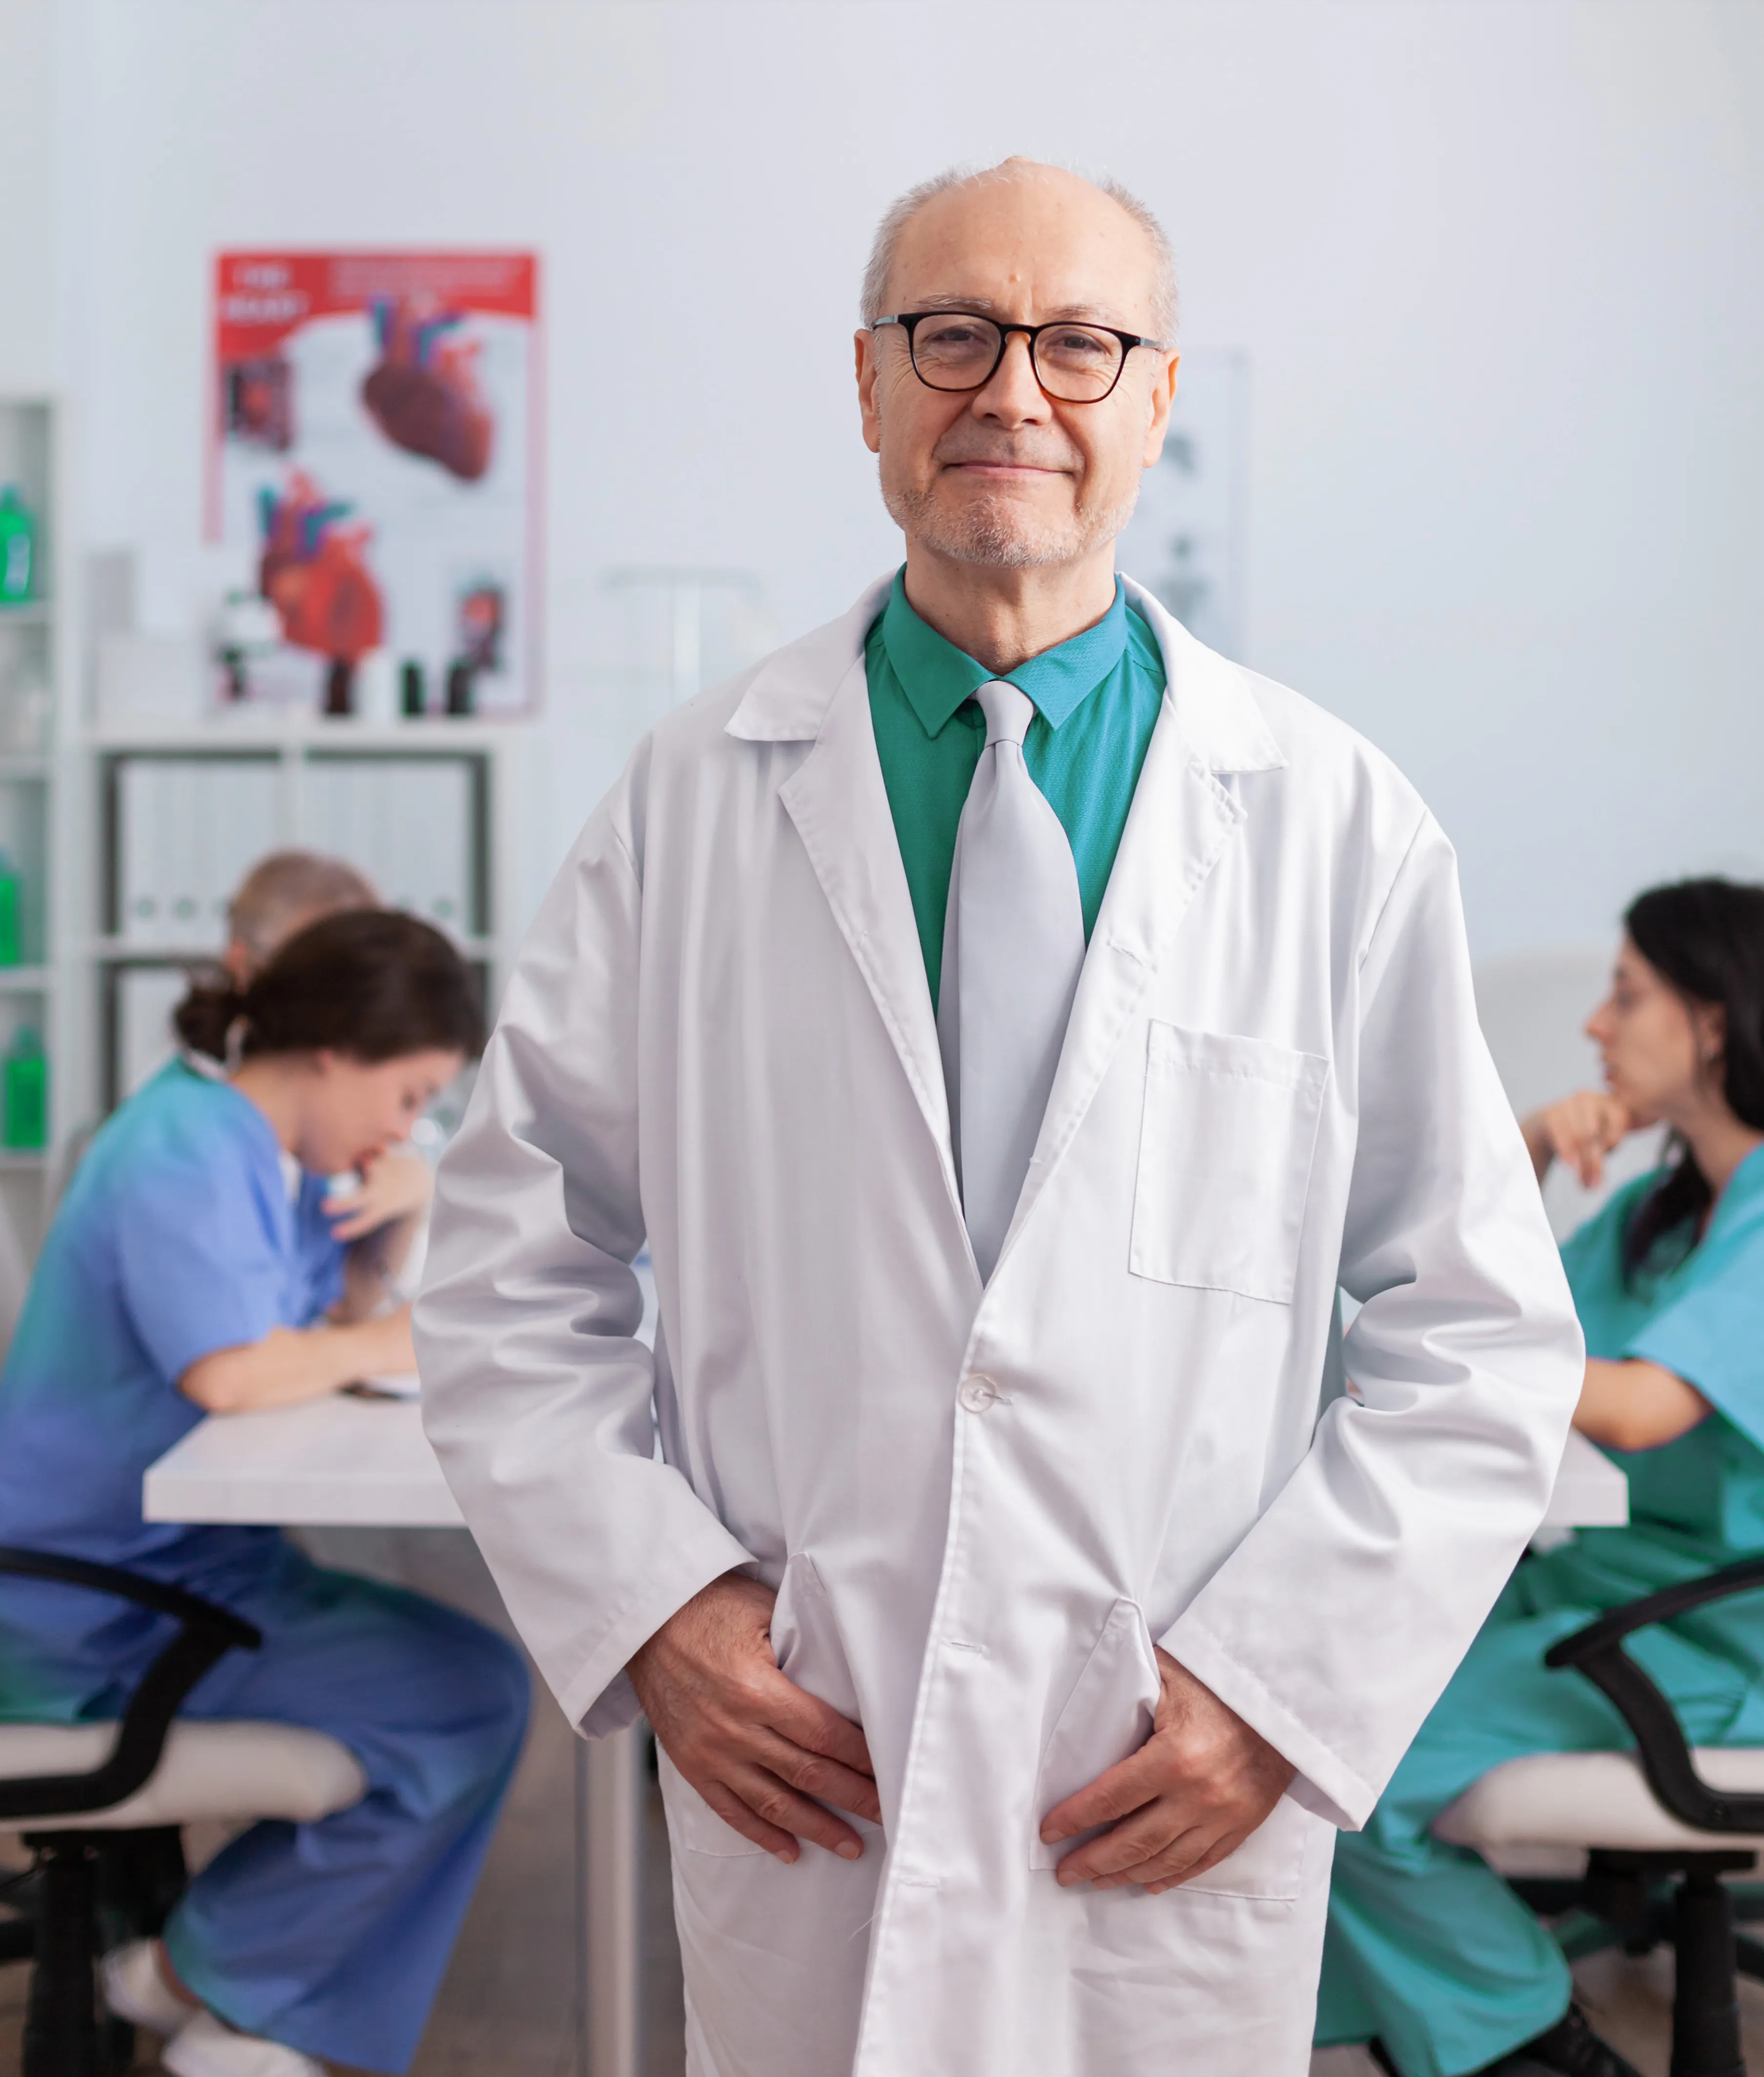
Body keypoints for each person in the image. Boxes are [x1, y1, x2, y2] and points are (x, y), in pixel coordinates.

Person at [415, 159, 1582, 2077]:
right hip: (814, 1741)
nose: (1011, 391)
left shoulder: (1331, 818)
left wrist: (1279, 1688)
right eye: (948, 334)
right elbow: (504, 1261)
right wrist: (662, 1612)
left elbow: (1478, 1333)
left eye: (1076, 341)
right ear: (867, 384)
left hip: (1162, 1763)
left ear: (1157, 394)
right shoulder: (693, 799)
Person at [0, 910, 529, 2077]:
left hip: (179, 1568)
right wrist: (401, 1333)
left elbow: (310, 1326)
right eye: (409, 1096)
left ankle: (223, 1984)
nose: (409, 1129)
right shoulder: (180, 1148)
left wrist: (388, 1237)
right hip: (88, 1605)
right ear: (337, 1048)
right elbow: (232, 1370)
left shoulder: (247, 1147)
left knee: (478, 1681)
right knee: (465, 1695)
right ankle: (216, 1984)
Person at [1318, 877, 1764, 2077]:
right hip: (1593, 1599)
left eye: (1626, 994)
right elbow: (1467, 1291)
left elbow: (1632, 1403)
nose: (1594, 1025)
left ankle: (1531, 2039)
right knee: (1311, 1686)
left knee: (1345, 1759)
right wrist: (1520, 1142)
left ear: (1715, 1020)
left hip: (1712, 1635)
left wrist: (1479, 1348)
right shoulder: (1657, 1221)